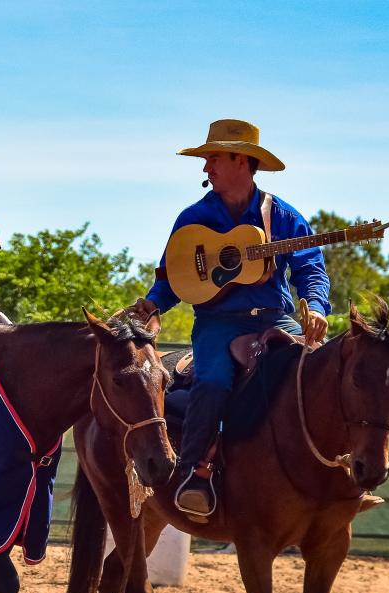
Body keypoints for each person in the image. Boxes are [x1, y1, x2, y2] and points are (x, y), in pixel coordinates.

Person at [130, 119, 331, 517]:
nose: (206, 168)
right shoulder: (193, 218)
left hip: (276, 318)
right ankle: (193, 474)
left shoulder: (283, 217)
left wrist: (317, 306)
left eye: (214, 158)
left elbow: (310, 268)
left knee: (318, 368)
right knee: (214, 379)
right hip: (218, 323)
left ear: (242, 160)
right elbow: (175, 275)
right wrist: (154, 304)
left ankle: (335, 473)